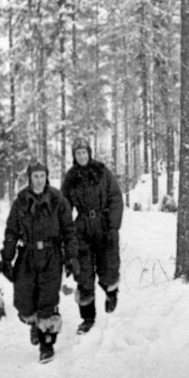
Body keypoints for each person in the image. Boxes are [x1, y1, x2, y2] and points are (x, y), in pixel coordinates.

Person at [0, 161, 80, 363]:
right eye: (36, 176)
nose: (39, 180)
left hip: (52, 256)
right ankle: (35, 324)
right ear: (30, 178)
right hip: (27, 255)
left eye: (42, 176)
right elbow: (11, 232)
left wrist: (71, 257)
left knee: (47, 300)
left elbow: (69, 231)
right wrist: (7, 258)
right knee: (24, 301)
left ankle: (46, 345)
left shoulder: (57, 199)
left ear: (47, 177)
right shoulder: (21, 201)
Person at [61, 137, 124, 334]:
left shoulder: (102, 172)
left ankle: (111, 293)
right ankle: (87, 318)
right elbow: (63, 208)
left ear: (89, 153)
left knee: (108, 267)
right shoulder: (70, 178)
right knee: (84, 275)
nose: (82, 156)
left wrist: (113, 227)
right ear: (74, 156)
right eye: (78, 153)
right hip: (82, 230)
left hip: (103, 226)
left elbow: (115, 198)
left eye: (84, 152)